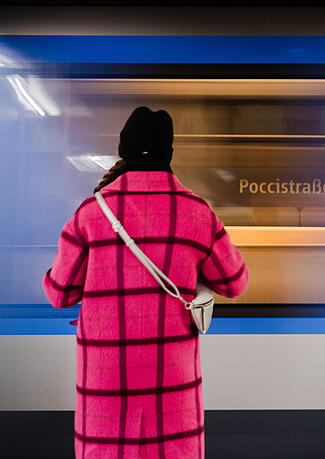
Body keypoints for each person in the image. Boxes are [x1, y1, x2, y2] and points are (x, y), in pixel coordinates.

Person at [42, 106, 249, 458]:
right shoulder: (198, 212)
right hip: (172, 386)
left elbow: (59, 293)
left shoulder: (91, 213)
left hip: (106, 386)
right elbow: (235, 282)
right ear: (168, 153)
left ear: (124, 151)